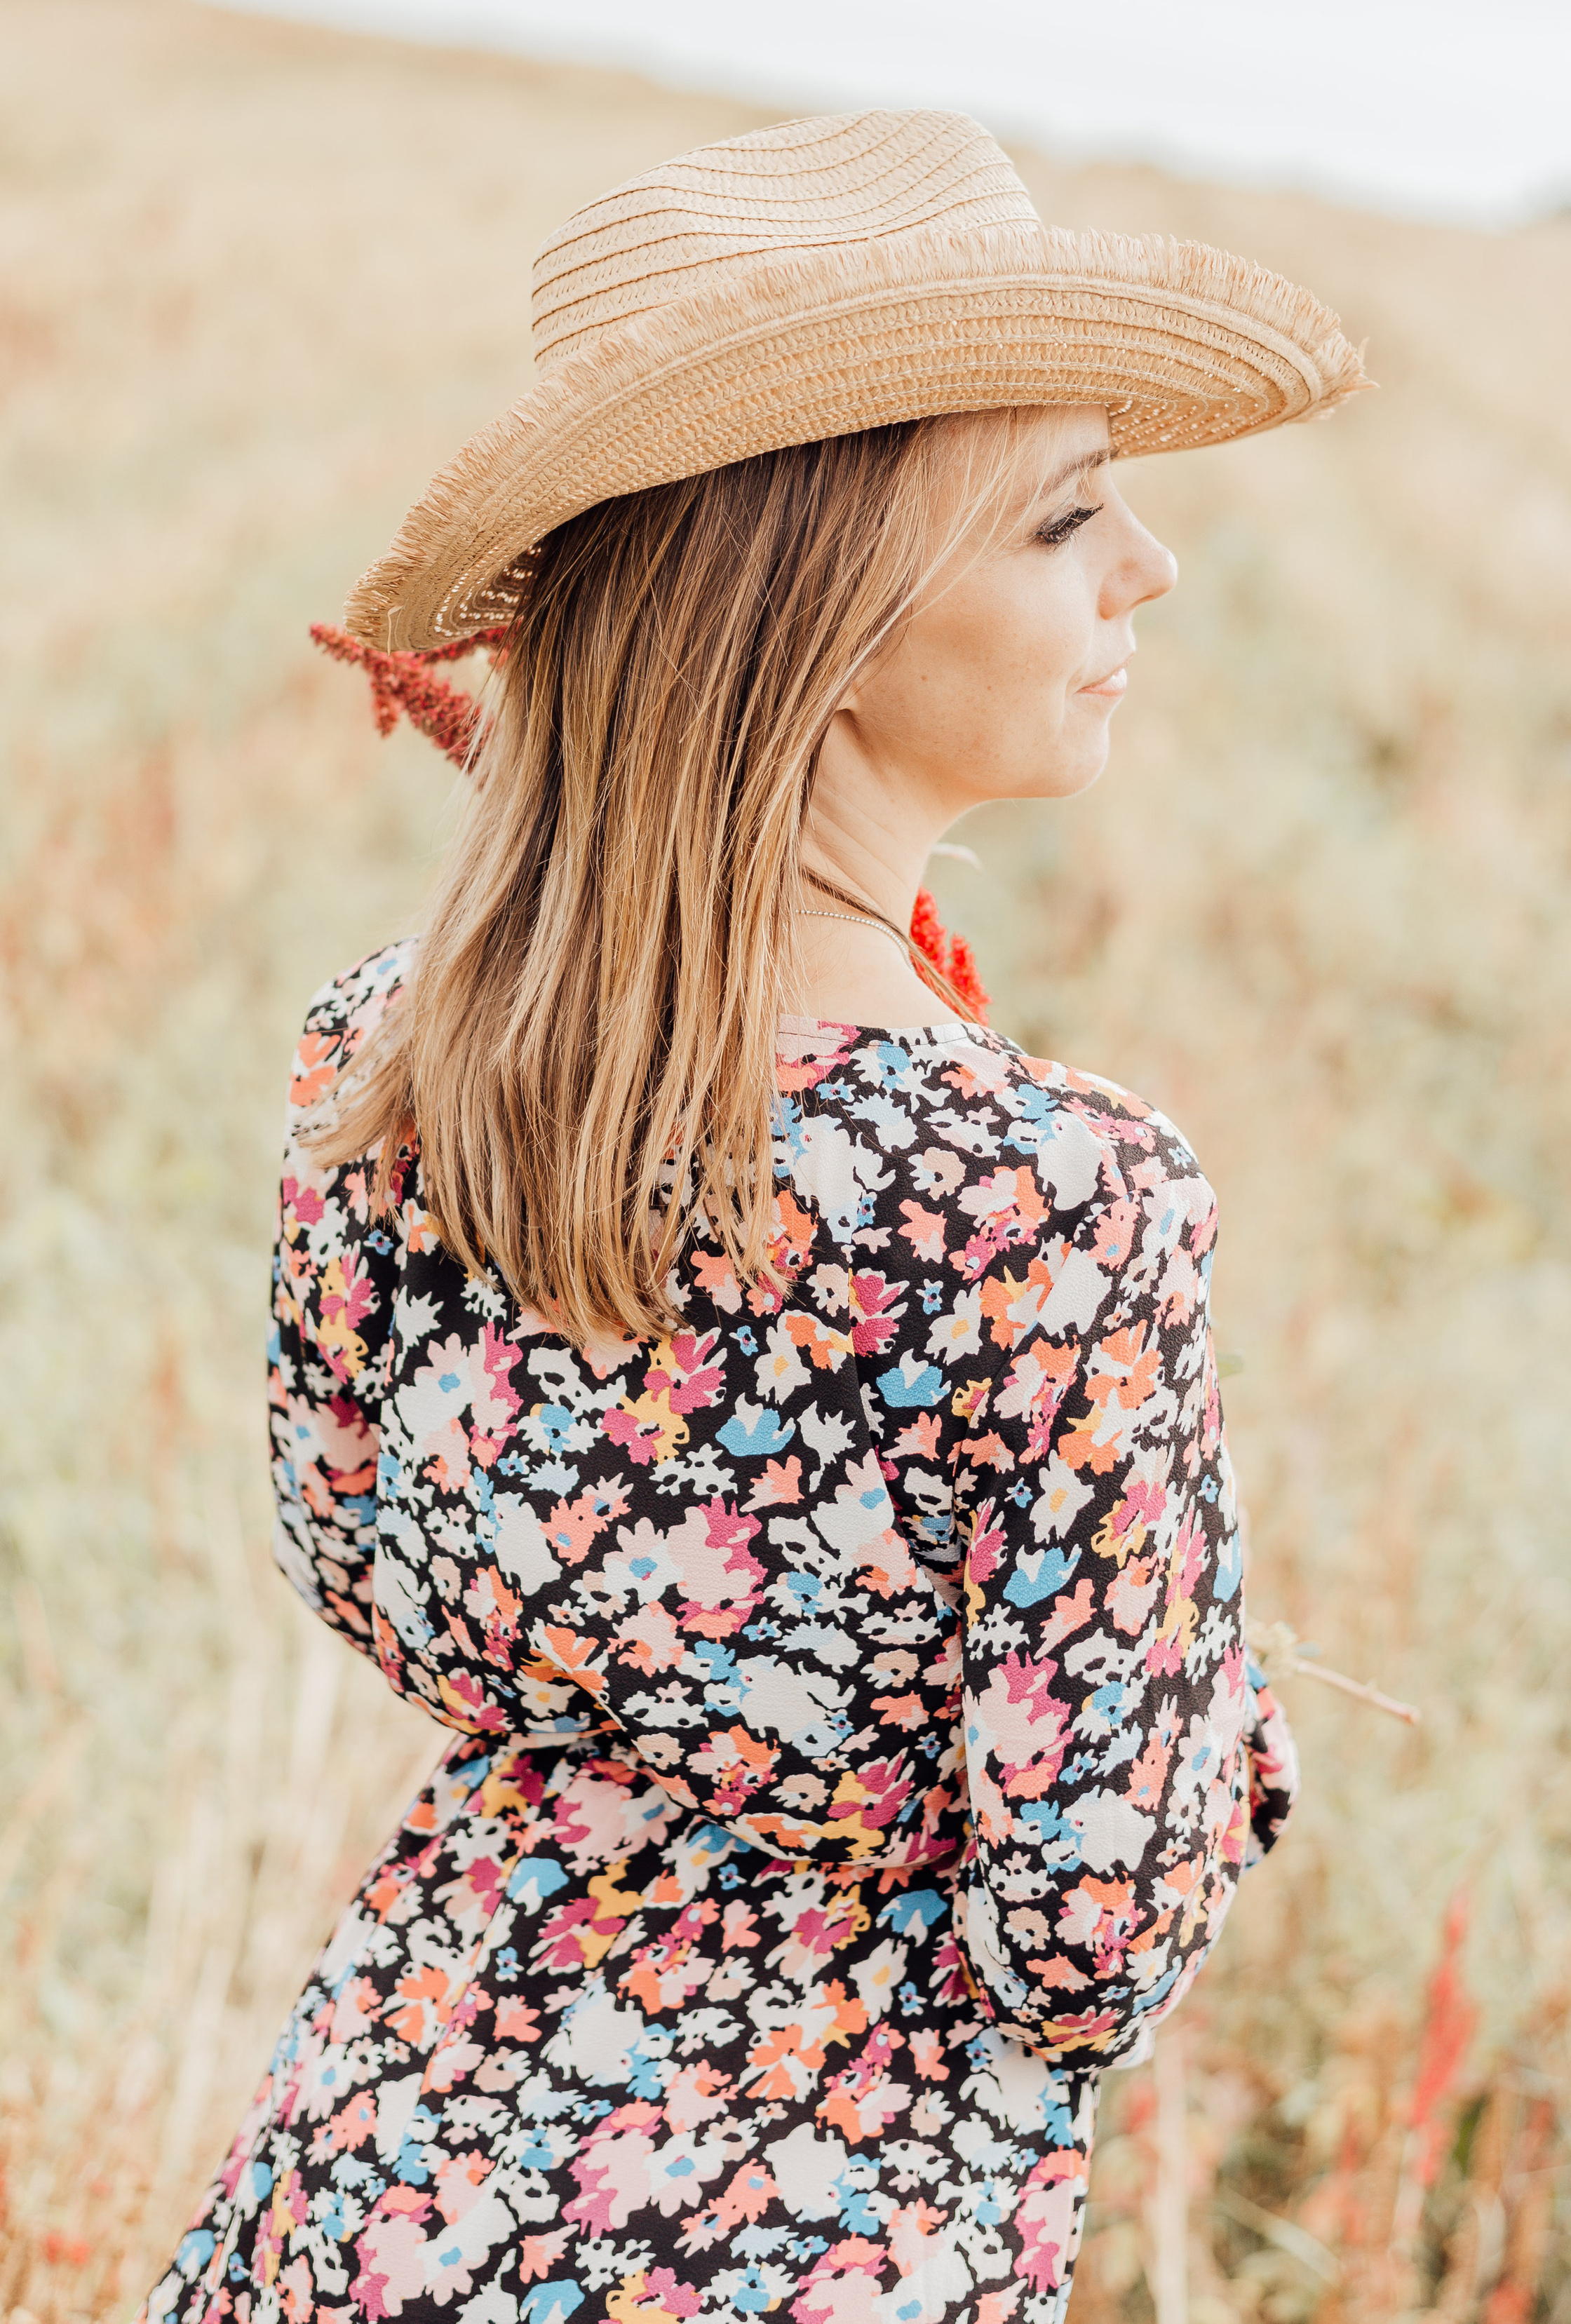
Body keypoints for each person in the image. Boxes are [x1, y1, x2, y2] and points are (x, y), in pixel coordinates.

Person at [140, 111, 1363, 2324]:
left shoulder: (384, 1062)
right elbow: (1095, 1931)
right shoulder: (1052, 1206)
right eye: (1071, 509)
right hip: (822, 2236)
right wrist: (1212, 1707)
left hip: (377, 2179)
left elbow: (382, 1599)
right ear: (833, 601)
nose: (1152, 567)